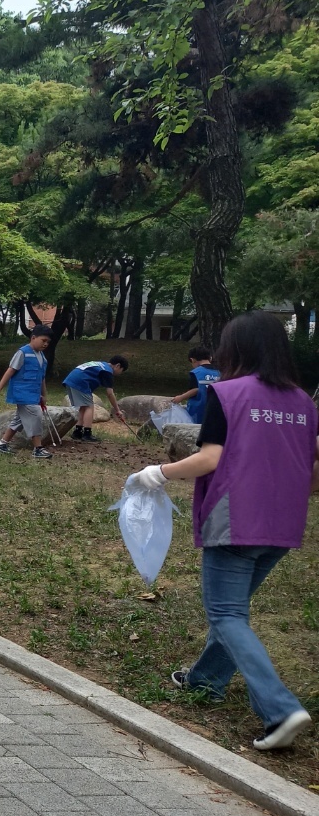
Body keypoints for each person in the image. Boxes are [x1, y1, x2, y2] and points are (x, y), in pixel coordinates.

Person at [127, 312, 318, 751]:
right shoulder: (303, 402)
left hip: (236, 522)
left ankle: (279, 709)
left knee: (227, 615)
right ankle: (205, 681)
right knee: (235, 612)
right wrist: (292, 494)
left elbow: (210, 458)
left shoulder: (227, 394)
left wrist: (156, 472)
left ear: (234, 350)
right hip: (282, 526)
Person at [0, 325, 53, 459]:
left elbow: (42, 378)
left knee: (19, 419)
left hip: (33, 394)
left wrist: (44, 394)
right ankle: (38, 448)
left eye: (48, 342)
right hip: (22, 393)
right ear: (33, 338)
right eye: (43, 340)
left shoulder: (42, 357)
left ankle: (2, 444)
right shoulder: (22, 352)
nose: (46, 344)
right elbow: (10, 371)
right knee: (35, 415)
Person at [61, 355, 129, 443]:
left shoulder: (101, 365)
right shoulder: (107, 371)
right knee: (89, 406)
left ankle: (77, 432)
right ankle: (87, 434)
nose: (120, 373)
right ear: (118, 366)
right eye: (121, 371)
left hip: (71, 380)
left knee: (83, 407)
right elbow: (110, 393)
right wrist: (117, 410)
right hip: (81, 382)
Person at [172, 346, 221, 425]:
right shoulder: (219, 372)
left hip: (199, 410)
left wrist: (181, 397)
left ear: (192, 360)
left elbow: (195, 389)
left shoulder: (196, 372)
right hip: (217, 408)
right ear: (210, 358)